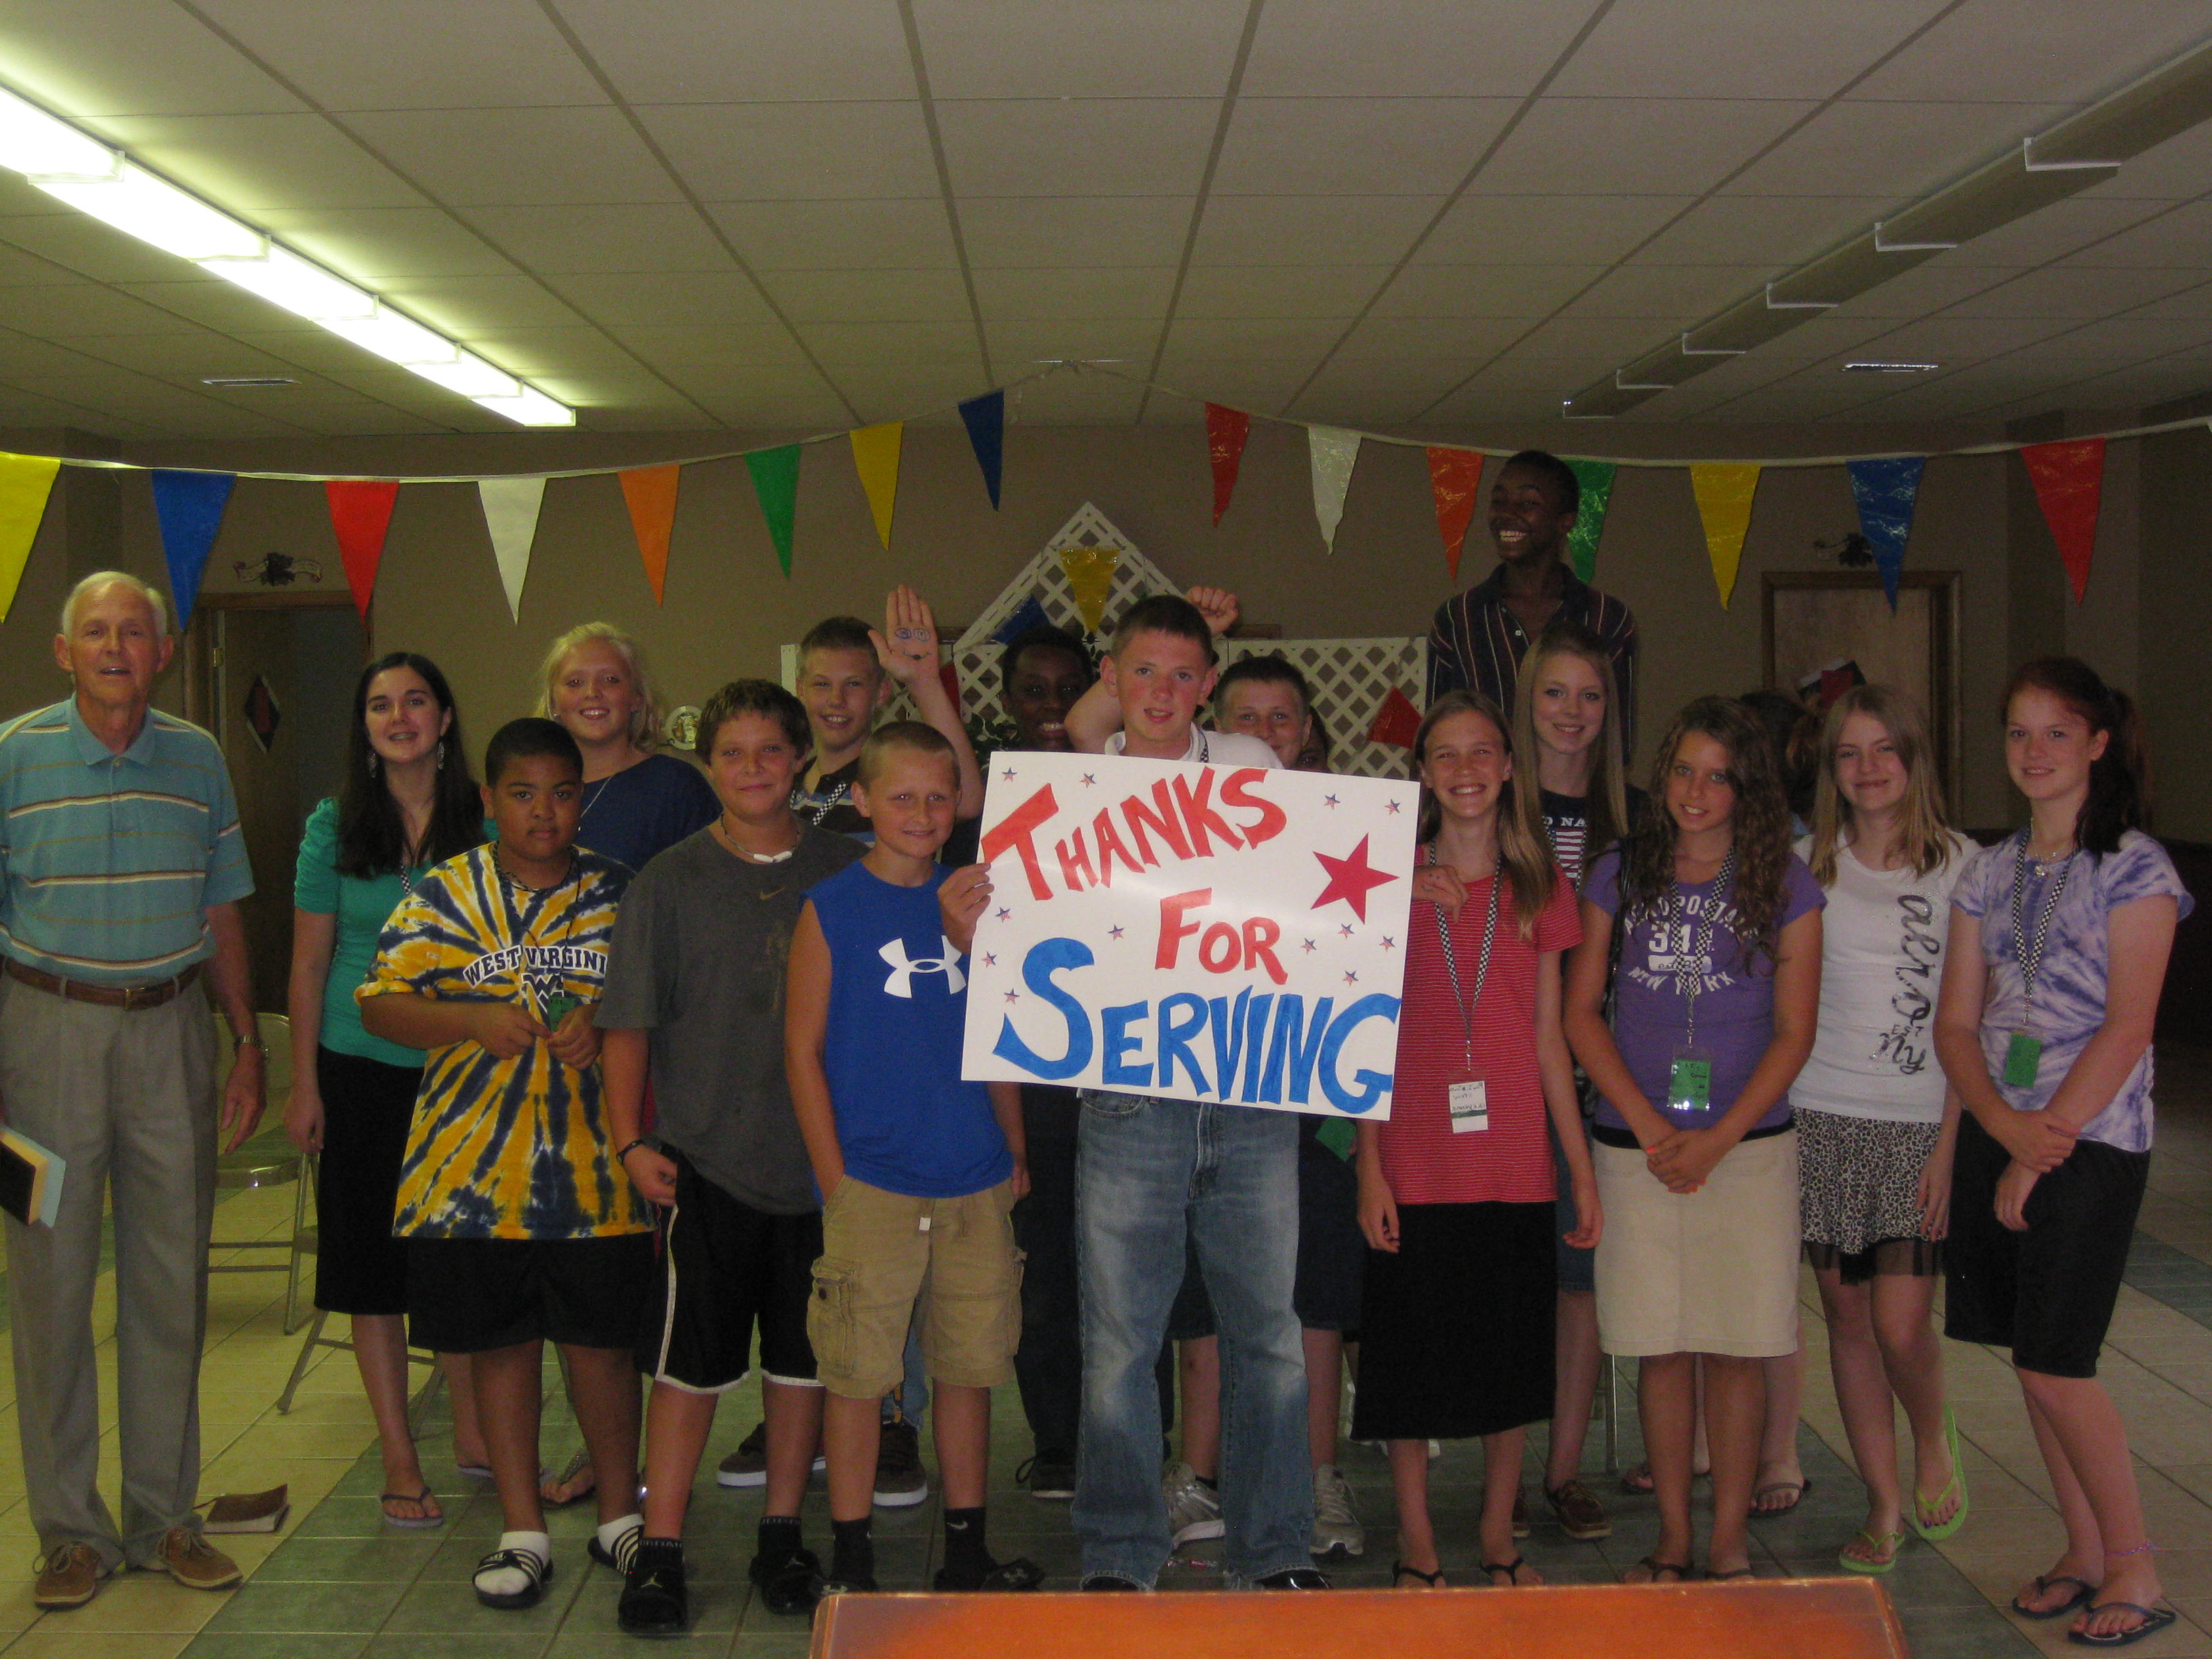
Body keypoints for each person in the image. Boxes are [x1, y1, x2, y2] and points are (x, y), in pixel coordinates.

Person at [1, 571, 262, 1612]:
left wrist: (247, 1042)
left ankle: (165, 1521)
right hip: (40, 1039)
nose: (116, 647)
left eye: (135, 631)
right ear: (64, 653)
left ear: (163, 649)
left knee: (170, 1282)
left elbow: (224, 909)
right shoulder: (11, 755)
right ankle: (70, 1534)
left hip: (170, 1036)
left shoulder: (199, 758)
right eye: (96, 632)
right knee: (49, 1289)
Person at [1060, 593, 1323, 1592]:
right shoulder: (1082, 783)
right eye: (1143, 671)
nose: (1162, 692)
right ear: (1113, 677)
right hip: (1126, 1093)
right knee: (1120, 1343)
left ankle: (1275, 1548)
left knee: (1271, 1337)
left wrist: (1392, 896)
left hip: (1250, 1089)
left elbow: (1307, 884)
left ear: (1210, 685)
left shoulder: (1248, 764)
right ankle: (1122, 1553)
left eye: (1183, 674)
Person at [359, 718, 650, 1612]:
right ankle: (522, 1529)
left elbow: (664, 1005)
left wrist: (603, 1023)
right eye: (523, 794)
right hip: (471, 1182)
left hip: (599, 1178)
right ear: (489, 800)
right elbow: (380, 1006)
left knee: (604, 1350)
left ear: (582, 798)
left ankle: (620, 1516)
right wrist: (470, 1020)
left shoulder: (622, 893)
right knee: (500, 1350)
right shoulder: (444, 893)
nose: (544, 812)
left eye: (562, 793)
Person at [597, 680, 865, 1634]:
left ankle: (781, 1534)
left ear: (800, 760)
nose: (753, 769)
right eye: (732, 754)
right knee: (689, 1368)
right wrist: (629, 1140)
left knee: (803, 1364)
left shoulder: (846, 870)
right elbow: (627, 1026)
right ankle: (661, 1547)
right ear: (707, 765)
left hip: (825, 1169)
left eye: (770, 751)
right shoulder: (668, 883)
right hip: (705, 1164)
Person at [1936, 659, 2188, 1648]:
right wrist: (2001, 1128)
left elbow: (2128, 1027)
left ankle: (2135, 1564)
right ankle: (2083, 1552)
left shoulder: (2135, 867)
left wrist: (2037, 1150)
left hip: (2089, 1140)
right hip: (2004, 1130)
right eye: (2017, 732)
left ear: (2097, 744)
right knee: (2030, 1358)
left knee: (2059, 1365)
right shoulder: (1987, 870)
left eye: (2056, 732)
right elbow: (1959, 1025)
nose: (2033, 751)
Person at [1564, 696, 1823, 1584]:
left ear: (1748, 788)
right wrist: (1649, 1127)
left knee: (1737, 1346)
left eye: (1719, 776)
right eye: (1683, 770)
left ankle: (1728, 1543)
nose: (1696, 792)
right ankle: (1675, 1538)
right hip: (1636, 1148)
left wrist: (1717, 1138)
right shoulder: (1618, 870)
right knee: (1662, 1347)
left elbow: (1794, 1031)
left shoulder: (1786, 882)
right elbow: (1581, 1011)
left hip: (1746, 1150)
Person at [785, 722, 1040, 1597]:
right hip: (873, 1180)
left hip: (973, 1173)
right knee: (858, 1375)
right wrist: (834, 1176)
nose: (922, 813)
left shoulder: (980, 898)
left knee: (970, 1368)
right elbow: (801, 1050)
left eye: (938, 797)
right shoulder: (830, 908)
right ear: (860, 800)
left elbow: (1001, 1031)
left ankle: (966, 1551)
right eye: (901, 796)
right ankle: (852, 1556)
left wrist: (1013, 1144)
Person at [1356, 691, 1599, 1590]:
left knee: (1509, 1362)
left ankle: (1498, 1534)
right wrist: (1369, 1167)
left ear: (1507, 769)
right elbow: (1362, 1036)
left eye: (1482, 752)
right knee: (1408, 1363)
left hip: (1514, 1163)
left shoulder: (1542, 889)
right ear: (1422, 773)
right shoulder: (1380, 885)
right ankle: (1417, 1543)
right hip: (1413, 1162)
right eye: (1446, 755)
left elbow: (1549, 1037)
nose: (1465, 770)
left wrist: (1579, 1171)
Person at [754, 588, 987, 1507]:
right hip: (848, 1119)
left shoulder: (951, 864)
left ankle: (903, 1425)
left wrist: (927, 681)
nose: (838, 698)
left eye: (857, 683)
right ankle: (816, 1435)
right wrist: (832, 1169)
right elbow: (802, 1046)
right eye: (822, 683)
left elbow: (963, 792)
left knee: (952, 1335)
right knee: (847, 1314)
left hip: (950, 1137)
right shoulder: (795, 802)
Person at [1164, 651, 1367, 1562]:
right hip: (1201, 1107)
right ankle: (1196, 1477)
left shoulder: (1349, 839)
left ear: (1308, 731)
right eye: (1244, 718)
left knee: (1312, 1305)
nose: (1265, 735)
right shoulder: (1173, 830)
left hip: (1311, 1122)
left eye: (1281, 718)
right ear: (1215, 731)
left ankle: (1317, 1480)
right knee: (1202, 1305)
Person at [283, 653, 489, 1530]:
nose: (398, 717)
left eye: (415, 701)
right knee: (371, 1269)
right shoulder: (333, 825)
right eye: (379, 705)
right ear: (364, 727)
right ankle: (401, 1459)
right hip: (357, 1068)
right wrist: (304, 1084)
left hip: (464, 1070)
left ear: (444, 719)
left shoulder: (486, 817)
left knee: (462, 1262)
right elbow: (309, 963)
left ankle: (476, 1436)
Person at [1795, 685, 1971, 1574]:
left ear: (1913, 758)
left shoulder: (1963, 868)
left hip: (1917, 1123)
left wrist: (1950, 1143)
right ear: (1831, 770)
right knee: (1847, 1315)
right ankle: (1883, 1501)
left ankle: (1932, 1437)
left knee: (1902, 1325)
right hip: (1822, 1114)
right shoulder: (1806, 866)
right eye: (1848, 753)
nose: (1867, 769)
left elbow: (1976, 1019)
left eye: (1883, 750)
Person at [1509, 624, 1639, 1542]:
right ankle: (1502, 1474)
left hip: (1595, 1080)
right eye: (1554, 692)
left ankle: (1561, 1473)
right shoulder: (1484, 799)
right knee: (1503, 1283)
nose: (1571, 712)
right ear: (1527, 702)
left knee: (1579, 1281)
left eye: (1590, 695)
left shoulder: (1636, 823)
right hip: (1490, 1077)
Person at [988, 625, 1094, 1498]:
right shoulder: (986, 801)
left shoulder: (1131, 785)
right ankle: (1057, 1437)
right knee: (1044, 1269)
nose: (1052, 707)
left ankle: (1138, 1436)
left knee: (1131, 1273)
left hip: (1135, 1070)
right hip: (1031, 1077)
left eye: (1068, 689)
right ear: (1007, 701)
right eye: (1034, 690)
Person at [1425, 449, 1639, 756]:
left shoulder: (1608, 619)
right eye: (1499, 502)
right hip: (1485, 787)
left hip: (1575, 786)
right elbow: (1436, 740)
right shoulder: (1458, 619)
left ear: (1565, 521)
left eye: (1528, 504)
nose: (1507, 514)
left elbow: (1617, 742)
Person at [538, 621, 717, 878]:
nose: (592, 692)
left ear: (636, 698)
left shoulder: (676, 786)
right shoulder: (529, 792)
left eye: (610, 680)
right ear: (554, 702)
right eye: (575, 682)